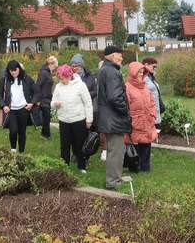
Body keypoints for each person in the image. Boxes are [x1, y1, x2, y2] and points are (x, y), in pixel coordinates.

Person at [95, 45, 132, 189]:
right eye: (119, 55)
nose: (122, 57)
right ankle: (113, 182)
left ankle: (114, 178)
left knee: (113, 150)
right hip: (114, 118)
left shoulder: (104, 69)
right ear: (111, 56)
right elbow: (115, 97)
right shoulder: (111, 72)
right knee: (116, 151)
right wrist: (125, 111)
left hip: (108, 118)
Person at [51, 64, 93, 173]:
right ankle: (64, 167)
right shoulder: (58, 86)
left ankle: (82, 166)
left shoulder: (80, 85)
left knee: (79, 145)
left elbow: (88, 103)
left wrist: (89, 120)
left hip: (78, 119)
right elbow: (52, 102)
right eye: (59, 78)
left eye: (63, 78)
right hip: (64, 120)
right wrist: (55, 104)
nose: (61, 80)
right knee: (64, 145)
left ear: (69, 75)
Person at [0, 60, 38, 153]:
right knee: (13, 130)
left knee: (22, 132)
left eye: (15, 70)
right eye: (11, 71)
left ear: (19, 69)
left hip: (24, 109)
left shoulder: (27, 78)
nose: (14, 72)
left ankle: (22, 152)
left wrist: (32, 103)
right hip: (11, 110)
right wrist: (3, 106)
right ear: (8, 71)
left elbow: (37, 92)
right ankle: (13, 150)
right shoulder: (4, 80)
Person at [125, 61, 158, 172]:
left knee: (147, 144)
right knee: (136, 146)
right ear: (133, 72)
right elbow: (126, 106)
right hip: (136, 122)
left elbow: (152, 102)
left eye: (142, 72)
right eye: (139, 72)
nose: (141, 74)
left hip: (148, 120)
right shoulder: (127, 87)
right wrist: (131, 120)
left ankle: (146, 167)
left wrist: (153, 114)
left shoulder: (145, 86)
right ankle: (136, 167)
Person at [36, 55, 58, 140]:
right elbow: (38, 85)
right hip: (43, 98)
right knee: (46, 117)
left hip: (47, 98)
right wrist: (37, 99)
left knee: (47, 117)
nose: (54, 69)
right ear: (51, 64)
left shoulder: (47, 72)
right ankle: (46, 135)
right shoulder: (44, 72)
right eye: (54, 67)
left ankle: (44, 134)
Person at [142, 57, 163, 129]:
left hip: (156, 110)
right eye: (154, 66)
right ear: (146, 65)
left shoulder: (151, 77)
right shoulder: (142, 78)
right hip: (149, 112)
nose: (155, 69)